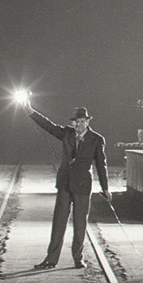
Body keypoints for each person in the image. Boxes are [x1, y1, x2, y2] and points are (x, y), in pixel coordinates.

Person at [29, 104, 110, 269]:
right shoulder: (66, 134)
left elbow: (101, 165)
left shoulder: (96, 140)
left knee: (80, 224)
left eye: (81, 122)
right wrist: (31, 111)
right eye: (76, 122)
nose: (78, 125)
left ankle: (78, 259)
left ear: (87, 122)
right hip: (65, 184)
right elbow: (48, 126)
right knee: (59, 222)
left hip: (82, 186)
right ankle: (51, 259)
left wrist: (105, 187)